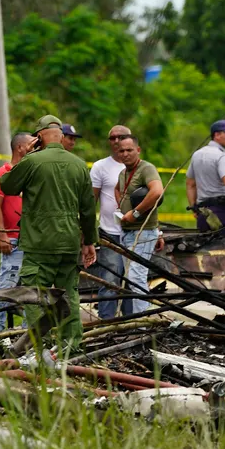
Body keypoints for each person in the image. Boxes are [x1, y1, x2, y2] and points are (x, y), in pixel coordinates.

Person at [0, 115, 97, 360]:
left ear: (38, 137)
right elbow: (87, 209)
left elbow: (7, 186)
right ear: (61, 137)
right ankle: (71, 346)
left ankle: (37, 346)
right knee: (69, 294)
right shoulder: (79, 165)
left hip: (39, 243)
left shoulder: (32, 161)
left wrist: (22, 156)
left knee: (35, 295)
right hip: (69, 242)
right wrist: (89, 242)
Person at [0, 132, 33, 334]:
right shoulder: (2, 173)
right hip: (13, 239)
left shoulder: (32, 174)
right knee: (7, 283)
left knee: (31, 287)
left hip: (33, 241)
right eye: (32, 144)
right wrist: (2, 235)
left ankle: (25, 333)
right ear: (20, 148)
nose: (36, 147)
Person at [114, 133, 164, 315]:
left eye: (129, 150)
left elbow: (157, 192)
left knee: (136, 276)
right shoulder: (123, 172)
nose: (125, 154)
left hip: (142, 231)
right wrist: (121, 209)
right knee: (130, 277)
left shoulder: (146, 168)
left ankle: (143, 321)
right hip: (127, 231)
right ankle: (137, 317)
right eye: (121, 151)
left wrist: (135, 213)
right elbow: (118, 190)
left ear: (138, 150)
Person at [91, 125, 131, 320]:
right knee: (109, 279)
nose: (116, 141)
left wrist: (156, 230)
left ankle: (130, 322)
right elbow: (92, 200)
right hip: (110, 232)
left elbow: (150, 201)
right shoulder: (100, 167)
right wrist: (87, 232)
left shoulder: (140, 166)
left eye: (121, 137)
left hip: (134, 233)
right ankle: (106, 322)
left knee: (133, 280)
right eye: (112, 138)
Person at [186, 120, 225, 244]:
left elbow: (190, 184)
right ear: (217, 135)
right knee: (223, 252)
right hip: (221, 212)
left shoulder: (197, 154)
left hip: (203, 212)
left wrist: (194, 208)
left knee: (203, 252)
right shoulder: (221, 156)